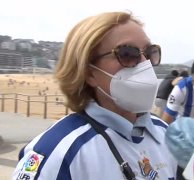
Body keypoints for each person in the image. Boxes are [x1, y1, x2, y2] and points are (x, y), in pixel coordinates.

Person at [12, 12, 178, 180]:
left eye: (150, 53)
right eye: (127, 54)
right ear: (89, 73)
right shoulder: (59, 151)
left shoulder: (163, 132)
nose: (144, 63)